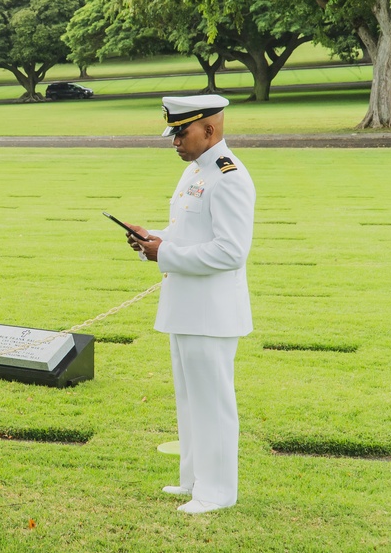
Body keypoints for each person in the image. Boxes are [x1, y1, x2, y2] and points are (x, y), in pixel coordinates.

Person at [122, 95, 255, 514]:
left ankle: (217, 492)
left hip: (211, 313)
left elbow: (231, 252)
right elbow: (190, 234)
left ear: (209, 131)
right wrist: (153, 240)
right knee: (189, 400)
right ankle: (194, 479)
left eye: (182, 132)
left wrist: (166, 254)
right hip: (186, 306)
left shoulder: (228, 176)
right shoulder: (195, 172)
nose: (175, 141)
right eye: (174, 132)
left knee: (212, 403)